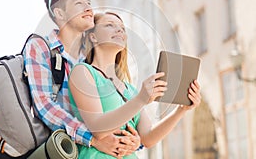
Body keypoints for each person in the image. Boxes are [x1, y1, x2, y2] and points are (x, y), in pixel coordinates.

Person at [23, 0, 141, 157]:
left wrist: (134, 140)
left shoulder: (90, 59)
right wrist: (93, 139)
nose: (88, 8)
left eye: (88, 3)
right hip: (62, 150)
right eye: (79, 3)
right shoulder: (41, 47)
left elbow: (112, 107)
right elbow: (45, 106)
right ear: (59, 13)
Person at [68, 12, 202, 158]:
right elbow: (98, 129)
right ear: (93, 37)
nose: (119, 30)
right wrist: (141, 99)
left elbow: (147, 138)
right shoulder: (83, 72)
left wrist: (180, 111)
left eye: (122, 28)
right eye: (109, 25)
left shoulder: (129, 89)